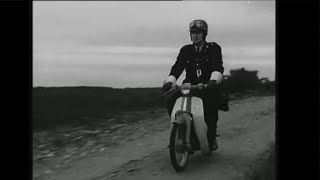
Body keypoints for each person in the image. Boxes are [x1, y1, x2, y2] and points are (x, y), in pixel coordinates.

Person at [162, 19, 228, 152]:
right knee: (171, 99)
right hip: (189, 86)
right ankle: (180, 133)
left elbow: (218, 66)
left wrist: (213, 81)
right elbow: (177, 67)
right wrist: (170, 81)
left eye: (198, 32)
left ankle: (210, 139)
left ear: (204, 34)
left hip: (207, 86)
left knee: (210, 106)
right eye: (192, 33)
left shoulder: (214, 48)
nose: (195, 35)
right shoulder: (186, 50)